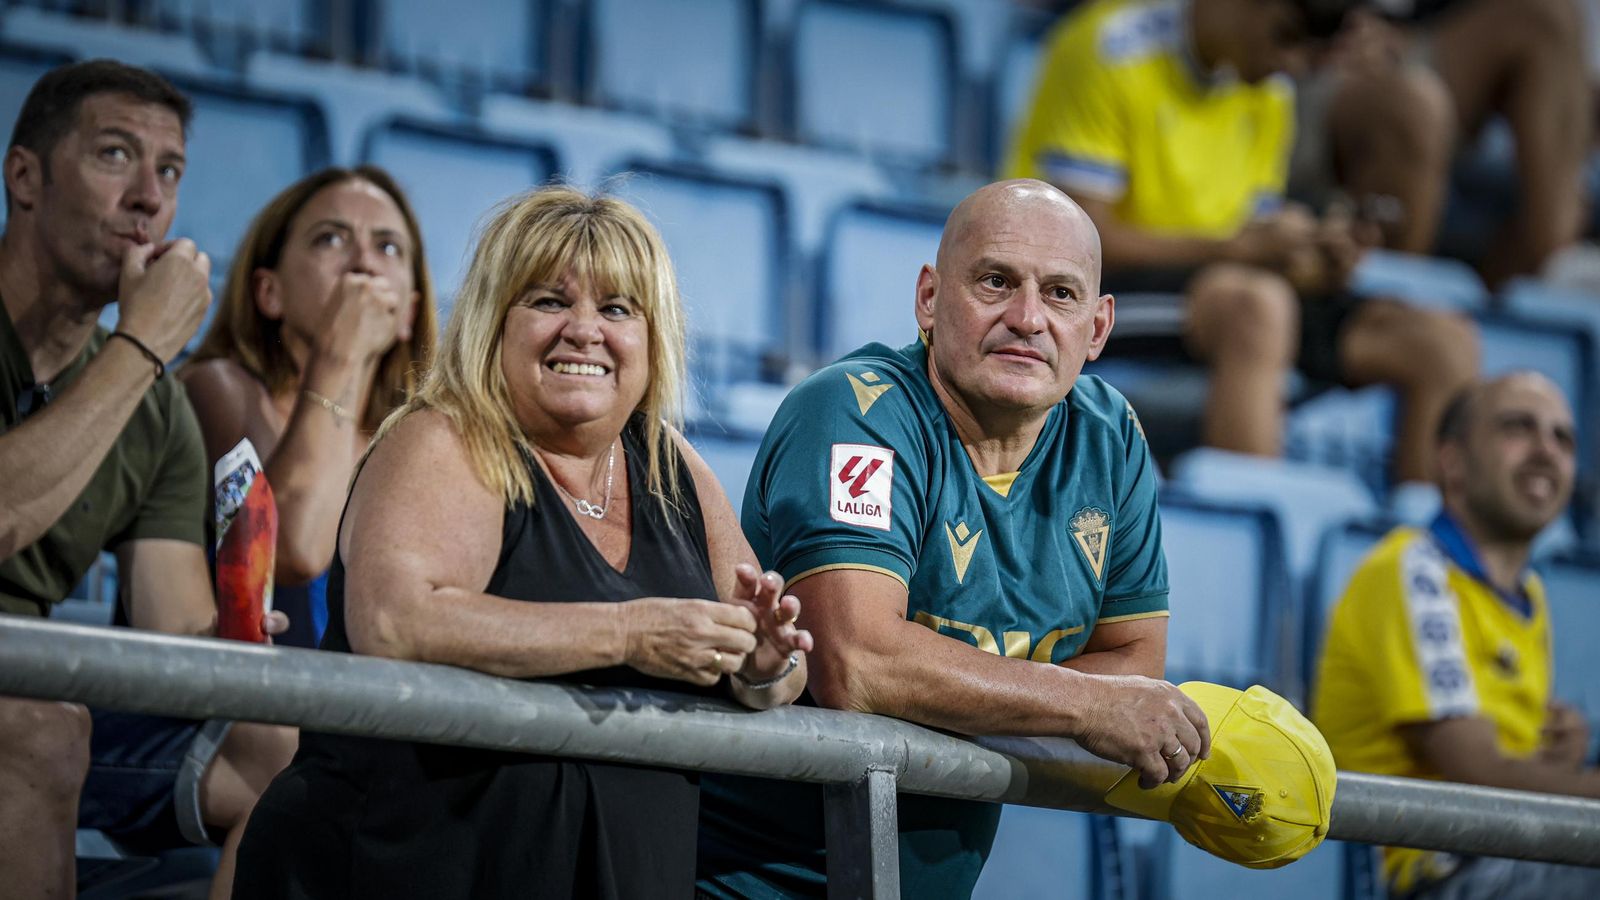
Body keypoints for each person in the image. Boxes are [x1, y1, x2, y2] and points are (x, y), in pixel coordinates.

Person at [232, 185, 815, 899]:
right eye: (548, 300)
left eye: (617, 309)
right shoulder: (444, 437)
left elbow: (761, 667)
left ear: (653, 337)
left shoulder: (670, 465)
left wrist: (763, 663)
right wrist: (629, 632)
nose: (584, 330)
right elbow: (397, 622)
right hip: (399, 869)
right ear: (492, 321)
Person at [697, 179, 1212, 899]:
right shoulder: (855, 413)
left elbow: (1136, 660)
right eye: (996, 282)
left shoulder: (1110, 436)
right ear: (930, 300)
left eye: (1061, 294)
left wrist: (966, 684)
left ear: (1097, 330)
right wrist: (1088, 708)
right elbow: (860, 665)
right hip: (738, 881)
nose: (1027, 317)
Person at [0, 60, 294, 899]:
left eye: (168, 171)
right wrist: (141, 345)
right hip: (27, 716)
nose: (148, 198)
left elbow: (175, 638)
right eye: (114, 156)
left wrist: (229, 631)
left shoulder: (156, 408)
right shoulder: (141, 363)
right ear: (25, 176)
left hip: (32, 702)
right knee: (40, 726)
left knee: (280, 750)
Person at [1004, 0, 1480, 483]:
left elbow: (1254, 241)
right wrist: (1234, 248)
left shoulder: (1270, 89)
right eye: (1287, 33)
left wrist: (1313, 261)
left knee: (1441, 342)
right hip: (1097, 291)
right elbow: (1072, 243)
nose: (1295, 63)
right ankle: (1247, 529)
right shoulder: (1106, 48)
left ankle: (1422, 557)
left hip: (1222, 282)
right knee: (1256, 307)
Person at [1313, 371, 1600, 898]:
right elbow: (1478, 772)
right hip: (1434, 874)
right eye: (1519, 428)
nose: (1546, 450)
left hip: (1513, 855)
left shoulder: (1530, 593)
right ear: (1452, 462)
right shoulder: (1412, 569)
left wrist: (1560, 750)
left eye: (1563, 438)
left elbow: (1508, 761)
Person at [181, 165, 438, 648]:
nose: (363, 262)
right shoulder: (218, 388)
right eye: (330, 240)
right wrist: (342, 354)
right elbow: (292, 549)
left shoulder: (418, 441)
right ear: (268, 292)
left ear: (408, 313)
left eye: (388, 247)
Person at [1318, 0, 1592, 283]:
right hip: (1314, 50)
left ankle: (1538, 282)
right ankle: (1386, 308)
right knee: (1408, 106)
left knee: (1546, 15)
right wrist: (1335, 22)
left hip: (1396, 38)